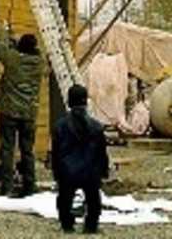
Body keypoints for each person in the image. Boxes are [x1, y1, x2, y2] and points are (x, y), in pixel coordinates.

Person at [0, 24, 43, 197]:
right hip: (29, 113)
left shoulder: (14, 60)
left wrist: (4, 31)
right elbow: (17, 49)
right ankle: (30, 186)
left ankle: (7, 187)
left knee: (7, 149)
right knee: (27, 150)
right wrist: (13, 38)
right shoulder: (39, 63)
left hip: (9, 111)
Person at [51, 84, 110, 234]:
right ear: (86, 102)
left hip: (67, 171)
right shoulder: (96, 127)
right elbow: (101, 153)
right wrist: (103, 171)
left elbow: (56, 153)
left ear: (69, 102)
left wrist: (56, 173)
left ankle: (67, 224)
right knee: (93, 200)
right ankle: (91, 225)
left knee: (64, 198)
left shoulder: (60, 126)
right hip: (90, 172)